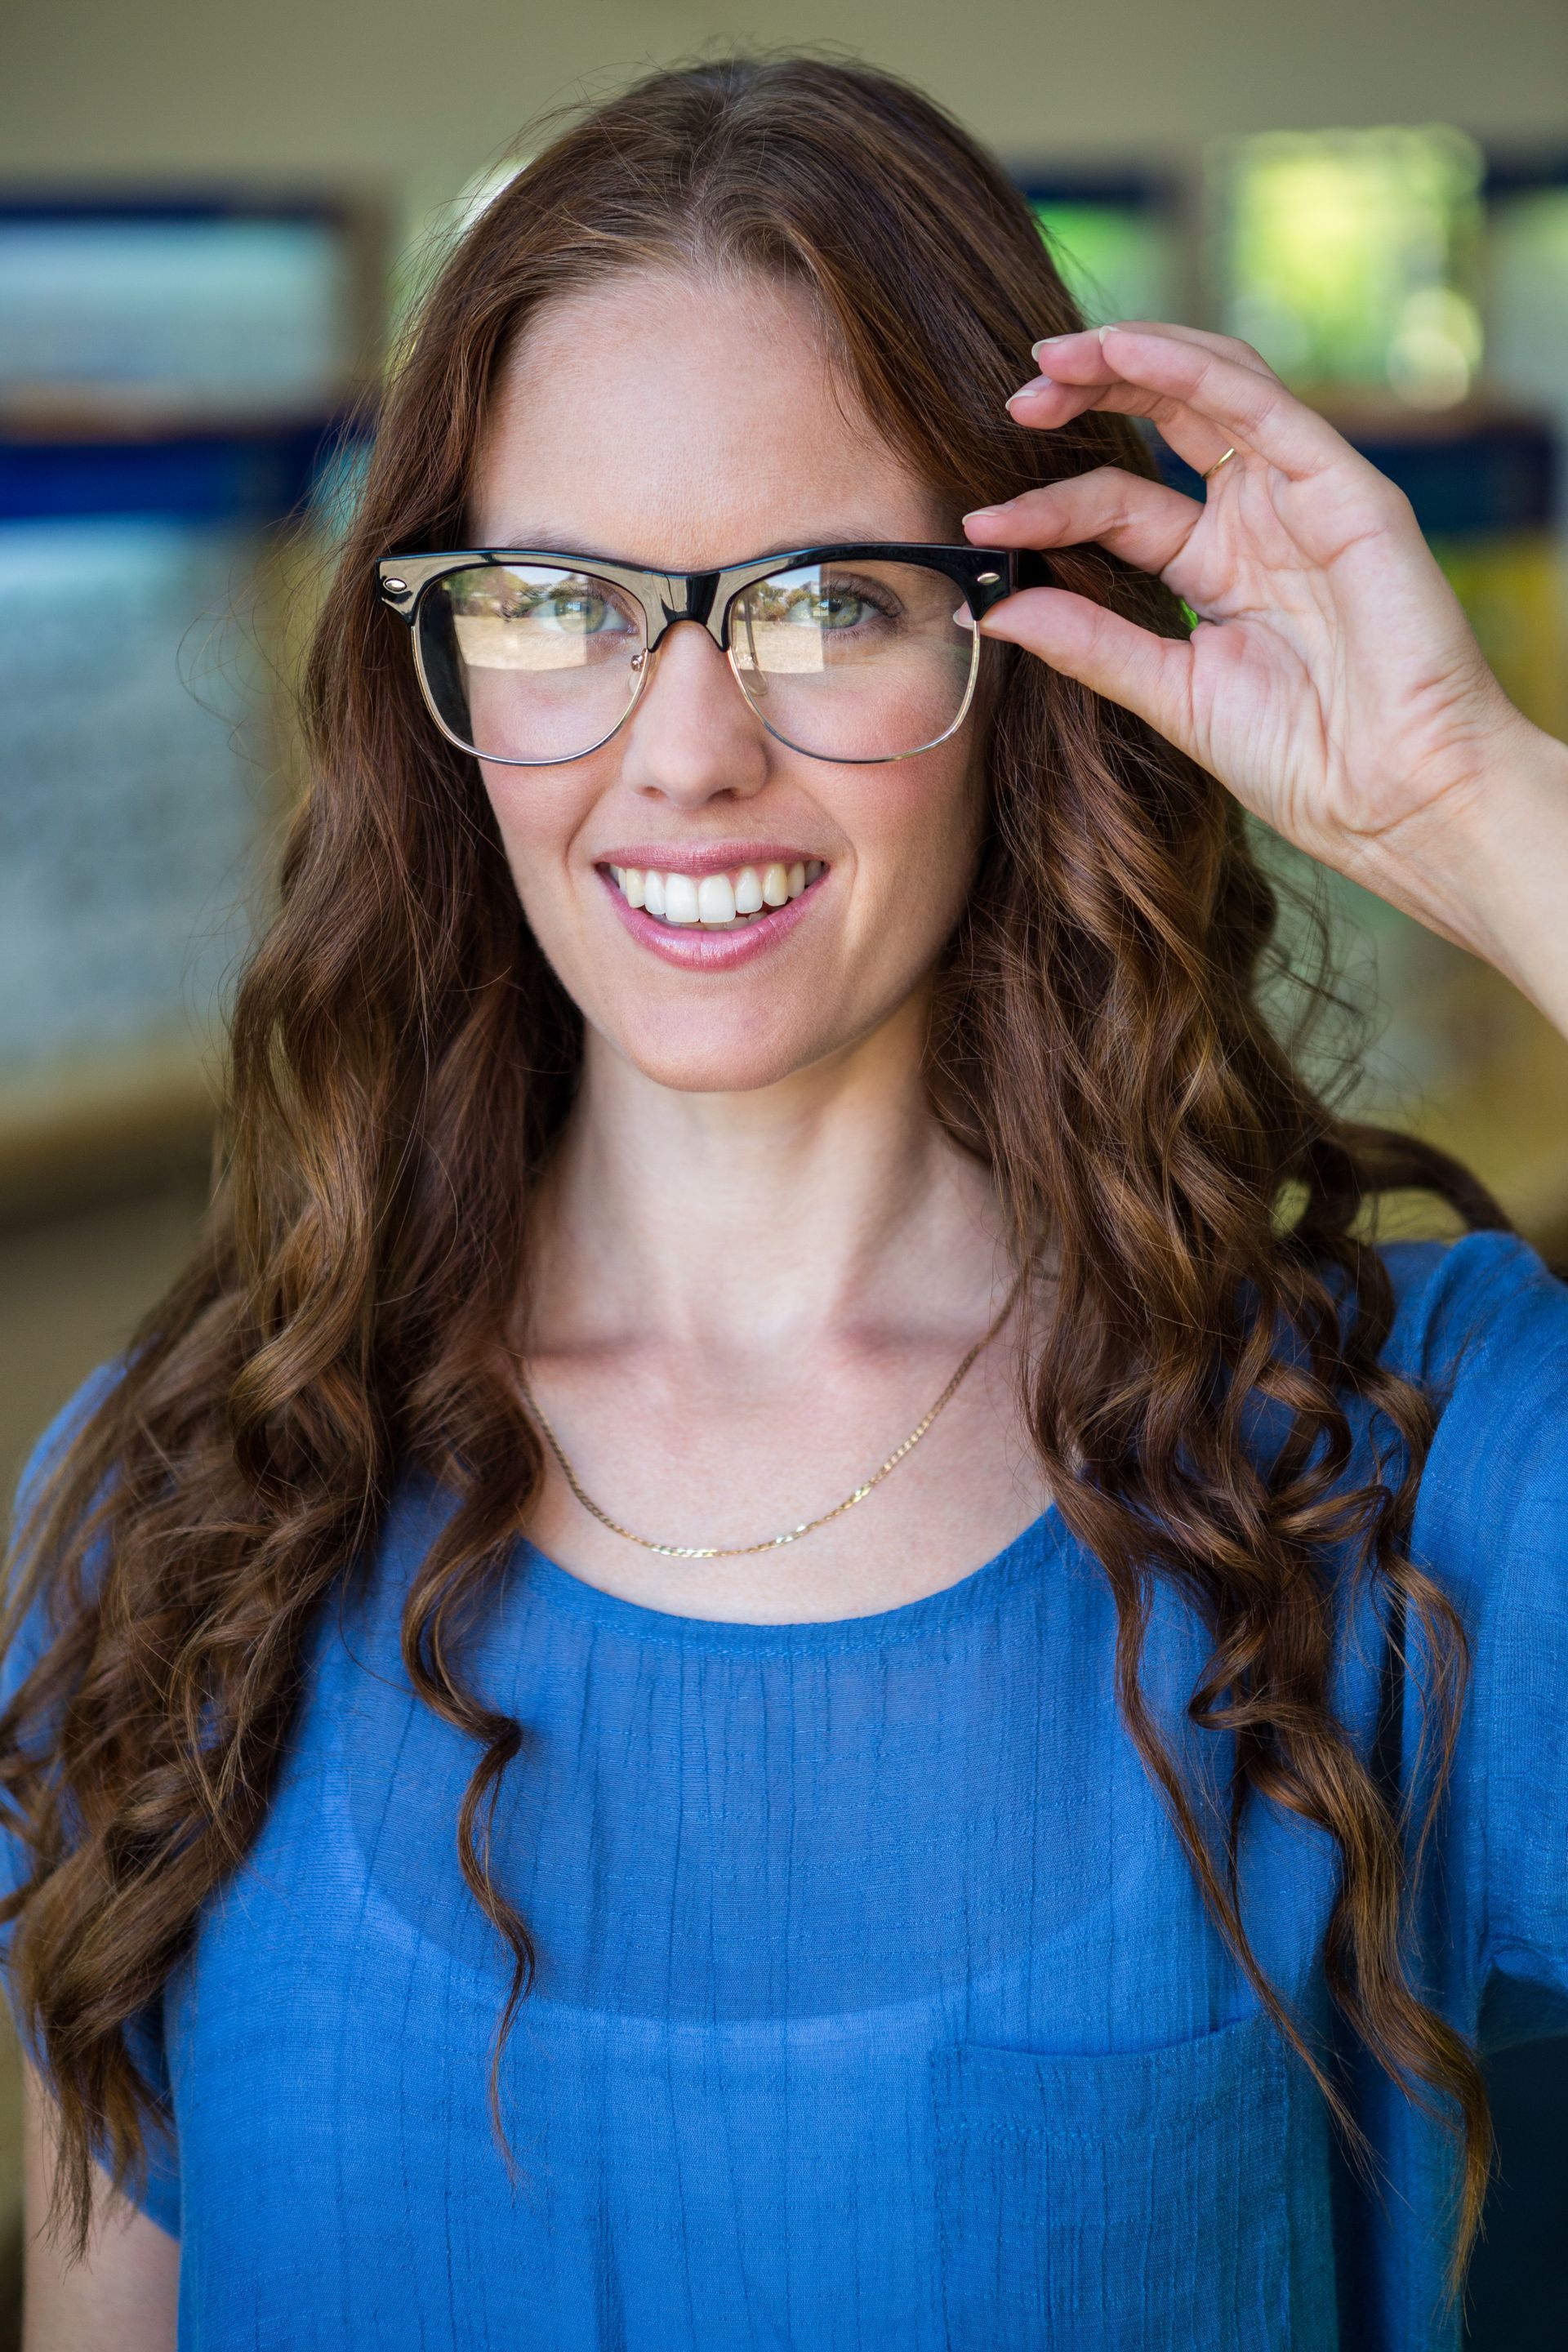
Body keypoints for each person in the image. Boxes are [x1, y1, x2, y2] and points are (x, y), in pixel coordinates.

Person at [2, 54, 1566, 2352]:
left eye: (829, 599)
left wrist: (1471, 801)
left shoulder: (1397, 1476)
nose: (687, 744)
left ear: (1014, 653)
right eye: (562, 597)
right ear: (442, 653)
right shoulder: (188, 1510)